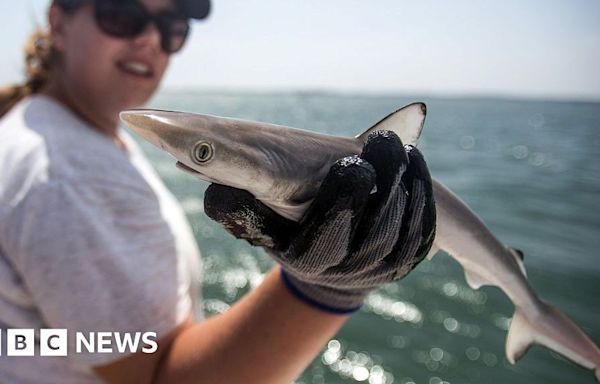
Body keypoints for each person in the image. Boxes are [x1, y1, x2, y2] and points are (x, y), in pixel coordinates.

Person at [0, 0, 436, 383]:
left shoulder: (50, 129)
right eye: (121, 14)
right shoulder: (69, 176)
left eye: (172, 27)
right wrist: (328, 289)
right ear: (58, 23)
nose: (151, 38)